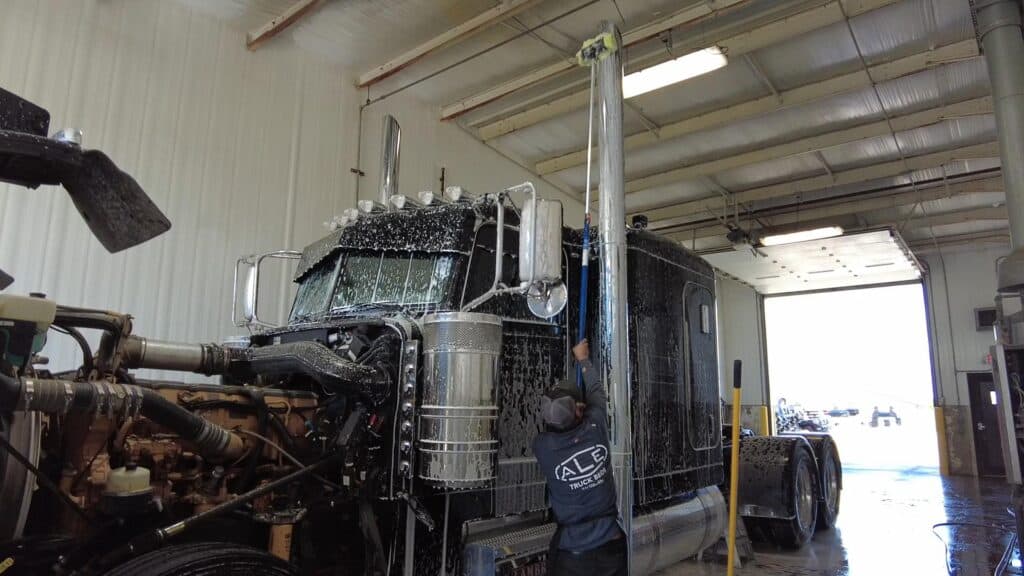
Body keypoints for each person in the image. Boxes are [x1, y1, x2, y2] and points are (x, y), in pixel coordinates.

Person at [533, 339, 627, 576]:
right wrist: (583, 359)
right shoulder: (596, 426)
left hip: (574, 554)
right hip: (611, 543)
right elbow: (597, 391)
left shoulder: (543, 447)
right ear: (580, 409)